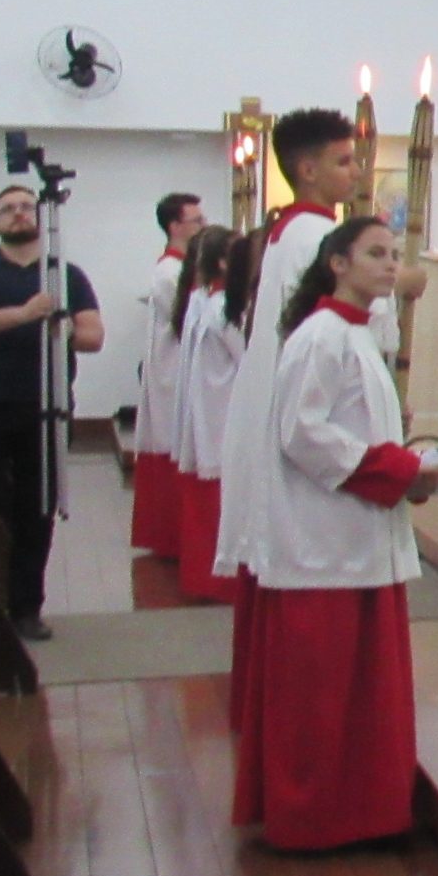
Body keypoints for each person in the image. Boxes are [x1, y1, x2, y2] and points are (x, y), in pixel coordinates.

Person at [231, 217, 438, 850]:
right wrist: (401, 469)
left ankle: (364, 812)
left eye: (393, 253)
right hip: (323, 543)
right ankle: (315, 818)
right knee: (323, 699)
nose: (389, 264)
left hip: (357, 536)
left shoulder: (352, 335)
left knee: (360, 700)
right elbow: (302, 433)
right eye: (374, 253)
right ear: (337, 264)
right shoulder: (320, 336)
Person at [214, 108, 422, 730]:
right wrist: (405, 282)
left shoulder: (289, 231)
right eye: (342, 161)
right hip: (311, 437)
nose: (354, 171)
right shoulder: (312, 239)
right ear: (306, 170)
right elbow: (353, 320)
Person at [0, 186, 104, 640]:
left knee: (38, 507)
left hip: (46, 406)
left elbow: (93, 335)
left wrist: (65, 327)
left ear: (40, 216)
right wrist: (28, 314)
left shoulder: (64, 274)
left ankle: (26, 608)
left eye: (25, 207)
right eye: (7, 210)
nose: (17, 215)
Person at [171, 227, 247, 606]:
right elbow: (248, 362)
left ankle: (205, 579)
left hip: (208, 412)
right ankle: (224, 582)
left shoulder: (204, 301)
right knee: (222, 502)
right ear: (222, 263)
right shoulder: (225, 309)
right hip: (225, 413)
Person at [130, 191, 206, 560]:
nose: (202, 226)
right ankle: (172, 540)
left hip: (187, 374)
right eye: (197, 221)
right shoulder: (169, 272)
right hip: (173, 374)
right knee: (174, 449)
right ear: (175, 226)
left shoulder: (186, 269)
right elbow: (189, 318)